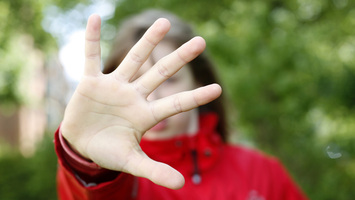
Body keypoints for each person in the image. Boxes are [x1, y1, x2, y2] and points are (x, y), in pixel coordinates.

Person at [54, 9, 308, 200]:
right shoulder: (114, 175)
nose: (151, 97)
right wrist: (87, 166)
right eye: (134, 82)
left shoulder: (263, 172)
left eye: (170, 79)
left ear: (199, 79)